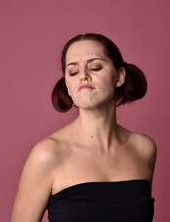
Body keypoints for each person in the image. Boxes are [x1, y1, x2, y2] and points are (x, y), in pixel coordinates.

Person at [11, 33, 157, 222]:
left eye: (95, 67)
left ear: (119, 76)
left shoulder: (143, 148)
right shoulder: (47, 154)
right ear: (68, 86)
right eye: (72, 71)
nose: (83, 76)